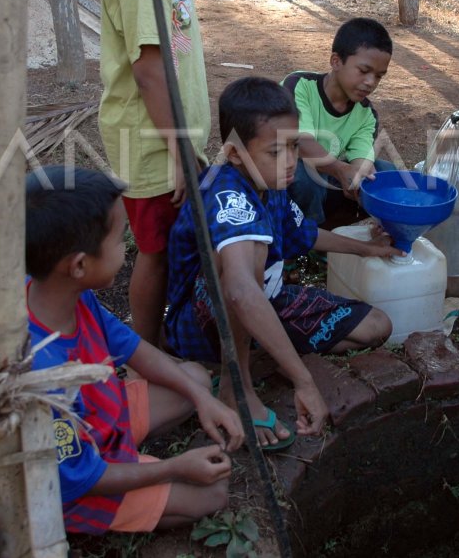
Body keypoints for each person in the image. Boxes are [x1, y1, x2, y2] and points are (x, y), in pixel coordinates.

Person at [165, 77, 398, 449]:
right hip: (205, 319)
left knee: (375, 327)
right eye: (276, 152)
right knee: (248, 254)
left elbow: (304, 233)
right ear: (236, 153)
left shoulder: (270, 184)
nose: (291, 163)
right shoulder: (226, 194)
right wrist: (303, 380)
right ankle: (235, 384)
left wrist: (367, 249)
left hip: (267, 300)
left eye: (294, 146)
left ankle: (261, 352)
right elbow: (240, 290)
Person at [25, 166, 244, 535]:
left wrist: (202, 399)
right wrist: (175, 467)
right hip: (74, 487)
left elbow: (136, 350)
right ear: (79, 265)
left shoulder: (63, 294)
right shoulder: (41, 375)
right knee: (212, 494)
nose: (125, 250)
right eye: (119, 239)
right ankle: (122, 490)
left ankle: (132, 455)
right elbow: (82, 479)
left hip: (100, 417)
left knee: (195, 379)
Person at [99, 0, 227, 345]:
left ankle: (172, 336)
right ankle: (147, 354)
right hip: (152, 143)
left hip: (170, 139)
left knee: (171, 242)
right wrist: (177, 150)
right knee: (151, 251)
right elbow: (150, 70)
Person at [283, 18, 395, 225]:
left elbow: (361, 158)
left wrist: (361, 176)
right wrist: (341, 170)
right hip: (286, 184)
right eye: (363, 71)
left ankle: (342, 230)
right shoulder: (299, 86)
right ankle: (305, 243)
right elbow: (301, 143)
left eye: (379, 76)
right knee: (304, 176)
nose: (371, 82)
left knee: (384, 173)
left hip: (331, 182)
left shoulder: (366, 113)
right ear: (336, 61)